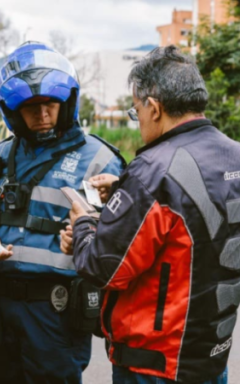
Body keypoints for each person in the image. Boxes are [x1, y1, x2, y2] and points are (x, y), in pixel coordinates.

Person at [61, 45, 239, 384]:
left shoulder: (152, 173)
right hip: (212, 359)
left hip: (155, 367)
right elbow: (196, 226)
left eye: (136, 110)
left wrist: (83, 221)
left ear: (154, 108)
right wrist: (124, 193)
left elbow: (104, 267)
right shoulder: (234, 155)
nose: (137, 119)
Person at [0, 41, 125, 383]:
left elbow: (125, 244)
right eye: (31, 106)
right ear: (13, 111)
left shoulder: (99, 160)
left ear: (67, 103)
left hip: (57, 314)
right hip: (0, 305)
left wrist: (86, 234)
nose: (42, 113)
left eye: (50, 103)